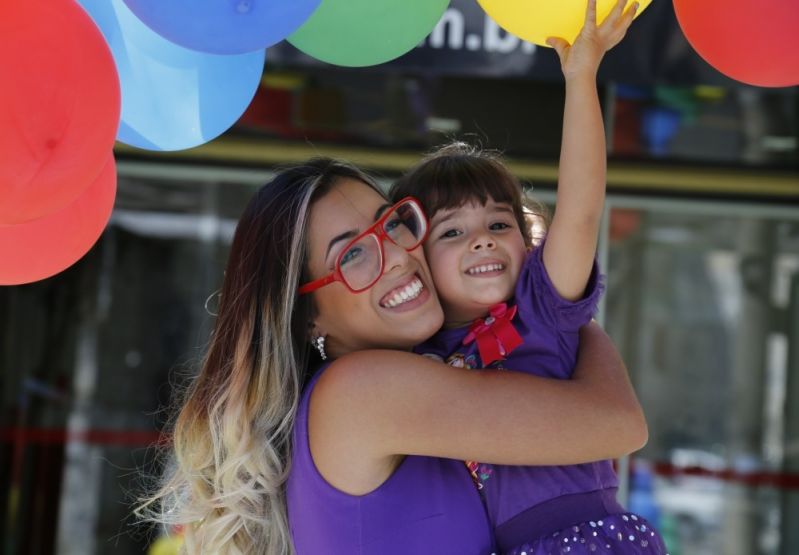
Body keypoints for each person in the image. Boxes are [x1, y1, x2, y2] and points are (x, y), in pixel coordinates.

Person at [137, 156, 647, 555]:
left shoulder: (401, 384)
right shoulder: (364, 391)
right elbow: (620, 425)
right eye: (353, 253)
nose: (398, 256)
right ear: (307, 314)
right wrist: (561, 313)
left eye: (391, 226)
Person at [389, 2, 668, 554]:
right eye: (452, 233)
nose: (482, 239)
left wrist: (581, 74)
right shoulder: (410, 354)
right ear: (415, 257)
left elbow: (583, 209)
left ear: (526, 239)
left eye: (498, 222)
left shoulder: (541, 306)